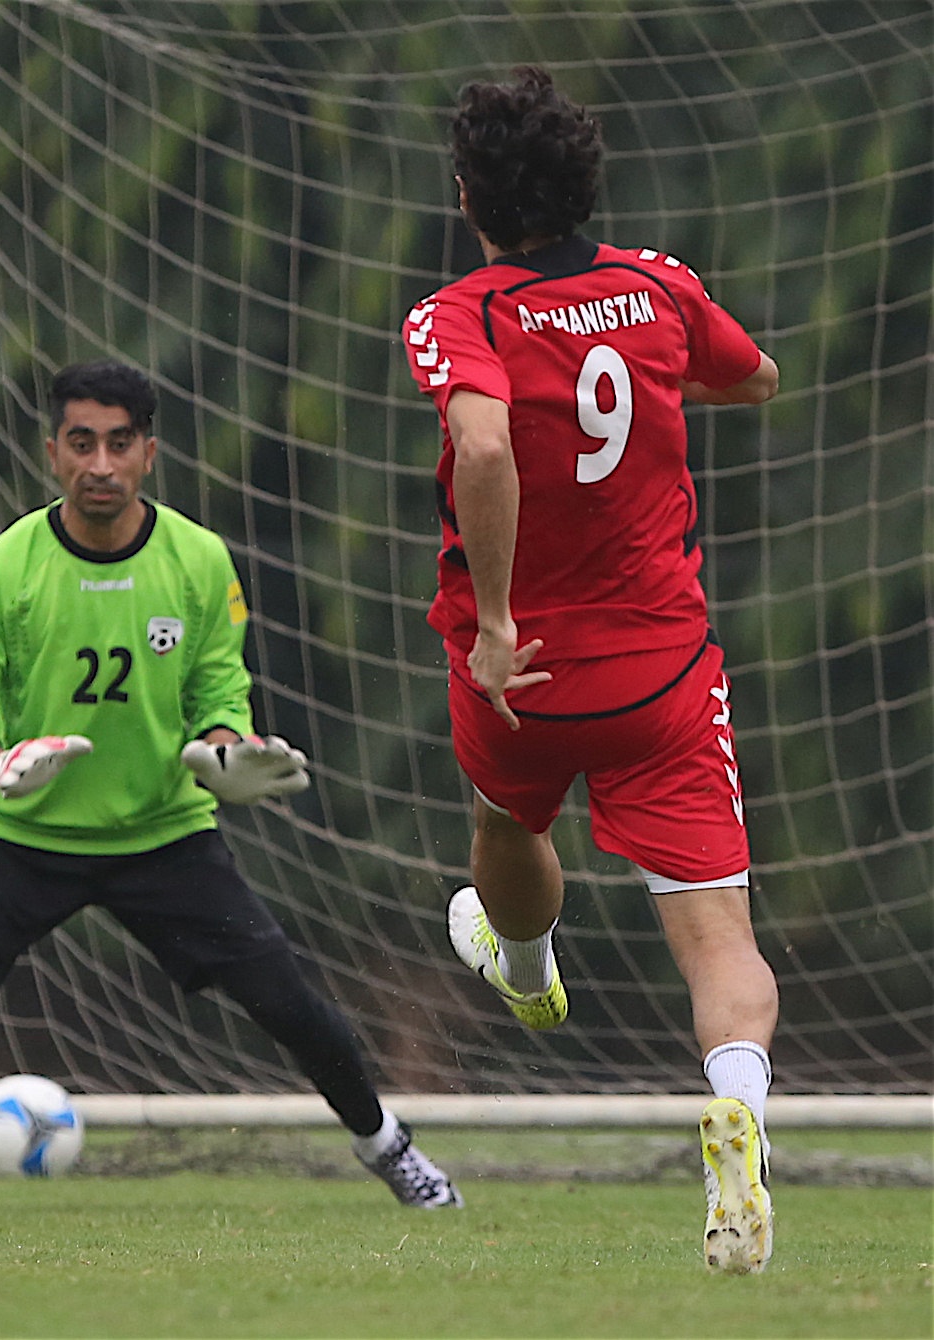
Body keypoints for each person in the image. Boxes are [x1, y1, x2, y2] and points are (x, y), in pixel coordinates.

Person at [0, 360, 462, 1214]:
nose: (100, 465)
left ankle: (395, 1155)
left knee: (291, 1003)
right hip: (23, 840)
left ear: (148, 453)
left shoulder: (198, 560)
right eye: (82, 444)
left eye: (118, 444)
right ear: (52, 454)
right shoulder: (6, 569)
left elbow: (219, 693)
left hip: (164, 836)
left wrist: (229, 751)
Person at [402, 69, 782, 1274]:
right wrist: (663, 371)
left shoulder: (460, 311)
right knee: (720, 937)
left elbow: (479, 436)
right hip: (663, 672)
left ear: (470, 197)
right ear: (586, 186)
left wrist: (503, 620)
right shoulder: (660, 286)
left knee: (507, 824)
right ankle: (740, 1118)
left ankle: (523, 967)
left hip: (522, 673)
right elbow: (758, 376)